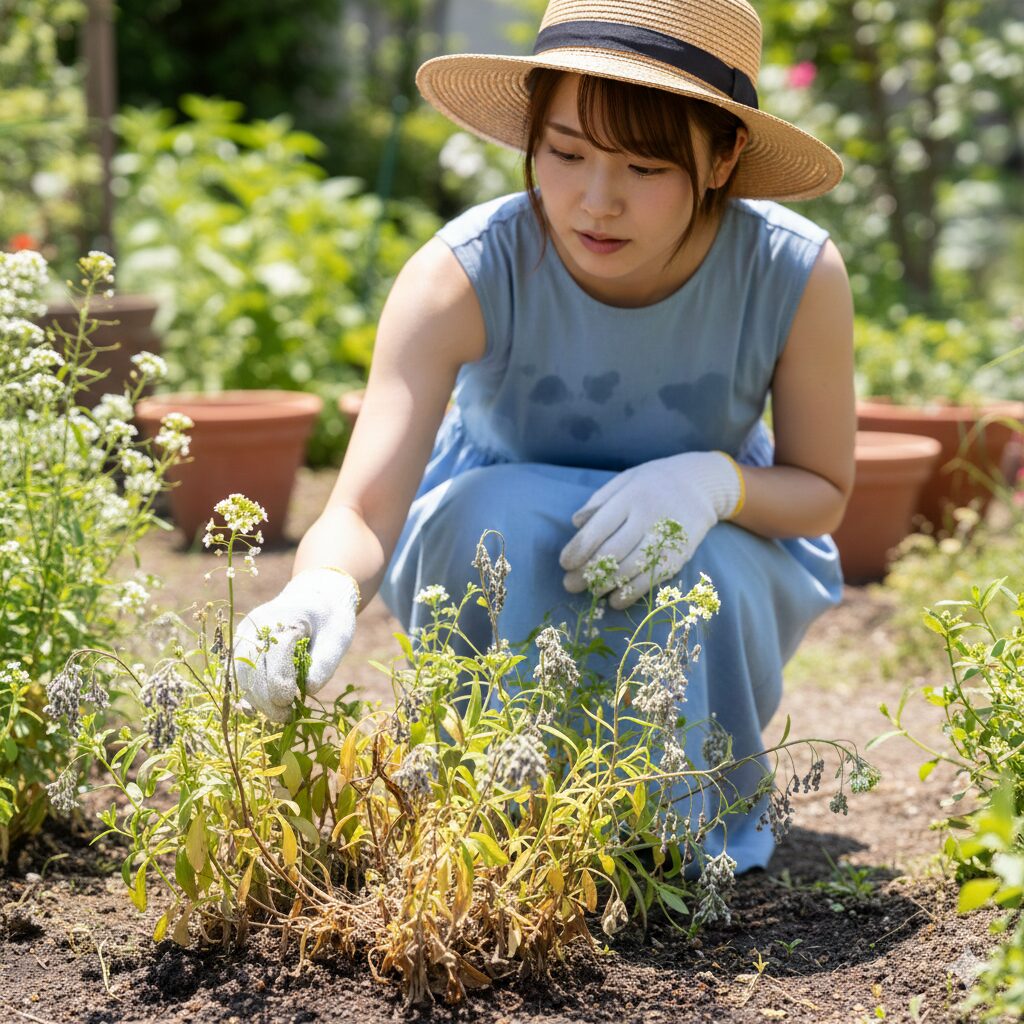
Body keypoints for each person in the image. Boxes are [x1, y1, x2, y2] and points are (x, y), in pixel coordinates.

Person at [233, 0, 855, 874]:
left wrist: (715, 486)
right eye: (565, 153)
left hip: (717, 542)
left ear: (724, 158)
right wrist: (320, 588)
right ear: (531, 138)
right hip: (502, 540)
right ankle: (493, 807)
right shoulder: (467, 268)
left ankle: (672, 832)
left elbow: (823, 489)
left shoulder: (791, 270)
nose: (596, 201)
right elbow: (365, 508)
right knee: (498, 516)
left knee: (696, 567)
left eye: (644, 165)